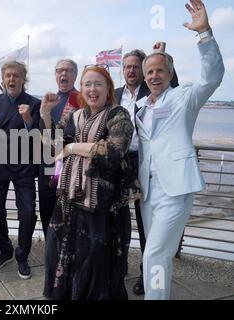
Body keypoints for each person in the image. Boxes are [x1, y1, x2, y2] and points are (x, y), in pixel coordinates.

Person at [136, 0, 224, 300]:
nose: (154, 75)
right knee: (155, 253)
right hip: (148, 192)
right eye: (149, 71)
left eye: (160, 70)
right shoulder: (140, 107)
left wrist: (204, 35)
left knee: (155, 255)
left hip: (176, 189)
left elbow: (212, 77)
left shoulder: (184, 97)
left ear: (170, 73)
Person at [43, 65, 134, 300]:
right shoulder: (74, 116)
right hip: (70, 197)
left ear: (108, 89)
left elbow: (113, 150)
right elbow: (52, 148)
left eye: (98, 84)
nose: (92, 89)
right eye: (87, 84)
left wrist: (73, 148)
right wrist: (45, 116)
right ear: (81, 89)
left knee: (94, 255)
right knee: (60, 248)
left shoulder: (118, 114)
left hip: (102, 203)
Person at [114, 44, 179, 295]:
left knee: (146, 224)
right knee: (117, 219)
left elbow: (171, 83)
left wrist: (163, 54)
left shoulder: (154, 91)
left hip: (145, 163)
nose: (130, 71)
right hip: (119, 164)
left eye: (135, 67)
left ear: (143, 70)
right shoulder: (116, 93)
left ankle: (146, 271)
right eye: (127, 67)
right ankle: (119, 266)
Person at [0, 61, 40, 280]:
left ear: (24, 79)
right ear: (3, 80)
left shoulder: (34, 103)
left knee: (28, 212)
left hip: (24, 166)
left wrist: (28, 120)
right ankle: (5, 250)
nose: (11, 79)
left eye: (16, 75)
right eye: (8, 76)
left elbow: (39, 138)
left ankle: (22, 256)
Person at [38, 59, 80, 236]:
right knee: (47, 214)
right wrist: (45, 113)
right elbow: (43, 137)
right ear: (55, 75)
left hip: (72, 167)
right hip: (48, 166)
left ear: (75, 75)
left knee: (71, 219)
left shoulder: (83, 100)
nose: (64, 74)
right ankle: (50, 254)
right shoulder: (48, 101)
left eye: (68, 70)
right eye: (60, 70)